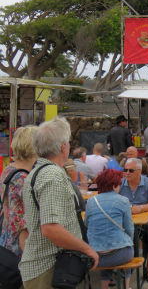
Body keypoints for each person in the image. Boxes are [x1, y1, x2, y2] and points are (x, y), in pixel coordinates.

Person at [19, 117, 99, 287]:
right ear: (64, 146)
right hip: (49, 269)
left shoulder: (38, 171)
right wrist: (87, 249)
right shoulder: (52, 175)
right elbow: (50, 228)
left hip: (47, 267)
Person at [85, 169, 134, 289]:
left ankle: (104, 286)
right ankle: (126, 286)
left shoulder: (91, 201)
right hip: (119, 255)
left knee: (104, 247)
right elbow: (129, 229)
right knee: (127, 245)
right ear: (114, 185)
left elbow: (86, 224)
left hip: (95, 257)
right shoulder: (123, 200)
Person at [118, 157, 148, 284]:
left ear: (139, 171)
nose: (127, 173)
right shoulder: (120, 183)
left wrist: (140, 208)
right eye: (125, 170)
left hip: (146, 219)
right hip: (124, 219)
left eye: (131, 170)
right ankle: (122, 267)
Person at [0, 126, 37, 258]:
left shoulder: (9, 169)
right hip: (20, 247)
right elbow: (24, 222)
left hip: (6, 239)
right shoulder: (24, 179)